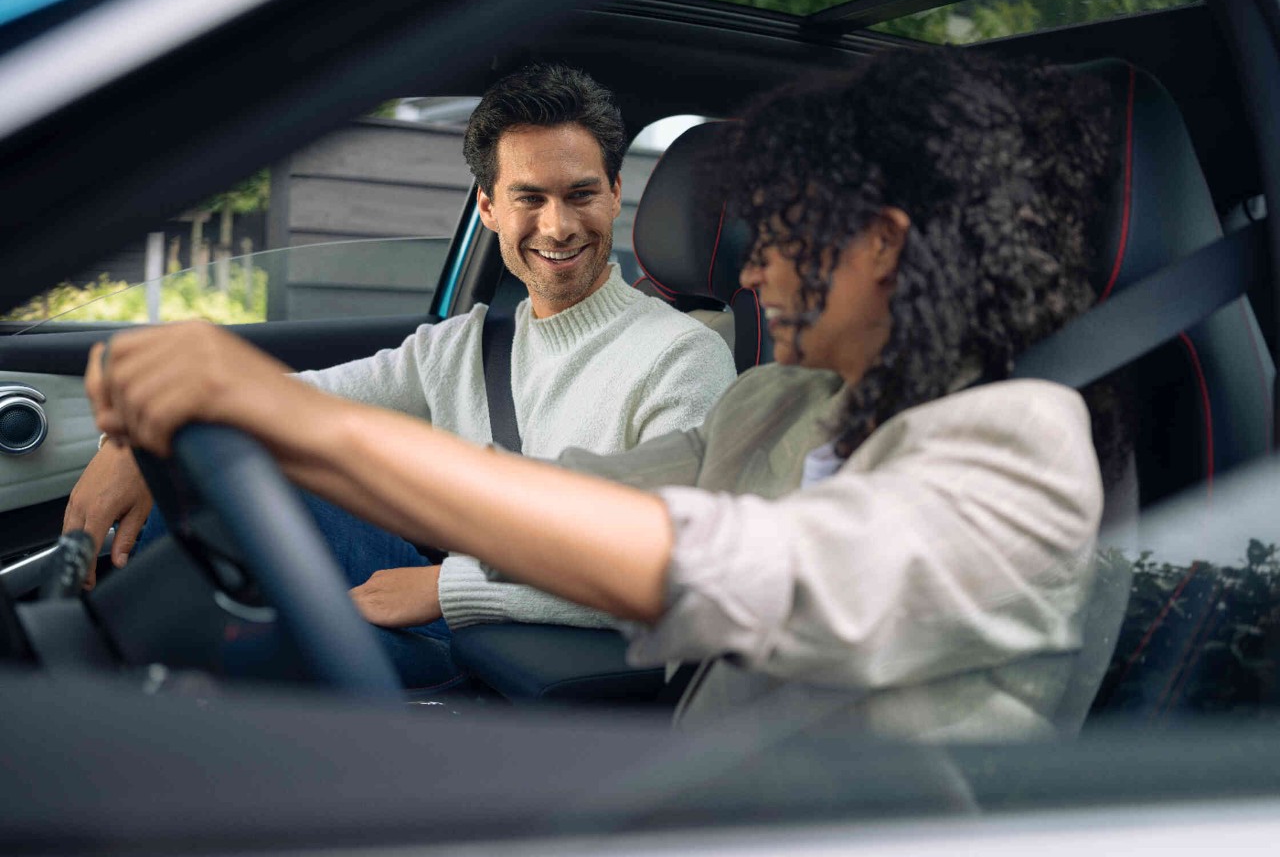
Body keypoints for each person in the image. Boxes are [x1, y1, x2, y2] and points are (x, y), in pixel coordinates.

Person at [86, 48, 1124, 739]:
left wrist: (292, 419)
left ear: (881, 248)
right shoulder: (774, 402)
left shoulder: (1023, 444)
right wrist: (218, 422)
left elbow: (744, 571)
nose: (751, 274)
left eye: (775, 236)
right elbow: (552, 494)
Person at [67, 64, 737, 686]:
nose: (557, 226)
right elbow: (284, 406)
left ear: (616, 194)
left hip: (539, 661)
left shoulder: (683, 360)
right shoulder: (464, 348)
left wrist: (444, 590)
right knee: (240, 484)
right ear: (488, 208)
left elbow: (671, 573)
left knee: (216, 644)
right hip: (462, 609)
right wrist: (132, 442)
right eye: (528, 198)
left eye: (580, 194)